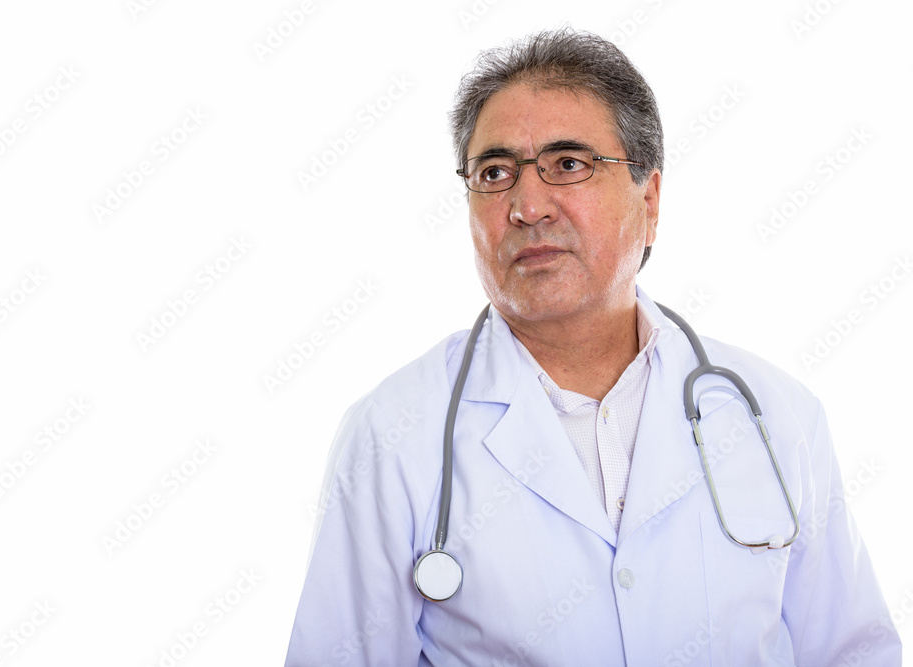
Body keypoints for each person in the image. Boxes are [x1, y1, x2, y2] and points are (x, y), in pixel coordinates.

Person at [284, 28, 901, 665]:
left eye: (569, 164)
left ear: (650, 199)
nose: (526, 205)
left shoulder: (777, 414)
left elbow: (855, 652)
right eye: (495, 173)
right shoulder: (393, 433)